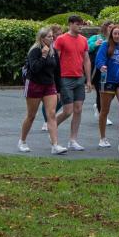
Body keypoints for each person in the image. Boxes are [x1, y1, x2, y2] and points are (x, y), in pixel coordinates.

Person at [18, 27, 67, 155]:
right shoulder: (34, 51)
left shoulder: (54, 51)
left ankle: (55, 145)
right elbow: (35, 69)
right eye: (49, 37)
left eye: (52, 36)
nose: (52, 38)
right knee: (31, 115)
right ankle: (22, 141)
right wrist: (44, 56)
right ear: (42, 38)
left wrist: (59, 89)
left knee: (51, 114)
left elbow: (57, 71)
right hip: (34, 84)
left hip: (49, 85)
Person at [53, 15, 92, 151]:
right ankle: (52, 128)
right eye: (77, 24)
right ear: (70, 24)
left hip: (79, 78)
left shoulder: (83, 40)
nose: (80, 26)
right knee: (67, 111)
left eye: (81, 24)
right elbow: (55, 61)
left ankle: (73, 140)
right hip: (65, 78)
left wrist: (88, 79)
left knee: (78, 109)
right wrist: (55, 81)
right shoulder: (61, 39)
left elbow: (86, 60)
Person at [93, 27, 119, 148]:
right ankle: (102, 138)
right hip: (107, 81)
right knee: (104, 110)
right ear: (111, 34)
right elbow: (99, 60)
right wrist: (102, 66)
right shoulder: (105, 45)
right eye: (115, 33)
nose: (117, 36)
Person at [88, 21, 112, 117]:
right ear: (105, 27)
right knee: (100, 91)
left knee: (110, 93)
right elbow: (87, 48)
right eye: (110, 27)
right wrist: (95, 44)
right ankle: (102, 113)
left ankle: (98, 107)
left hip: (111, 69)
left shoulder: (115, 39)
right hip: (98, 70)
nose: (111, 28)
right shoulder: (96, 37)